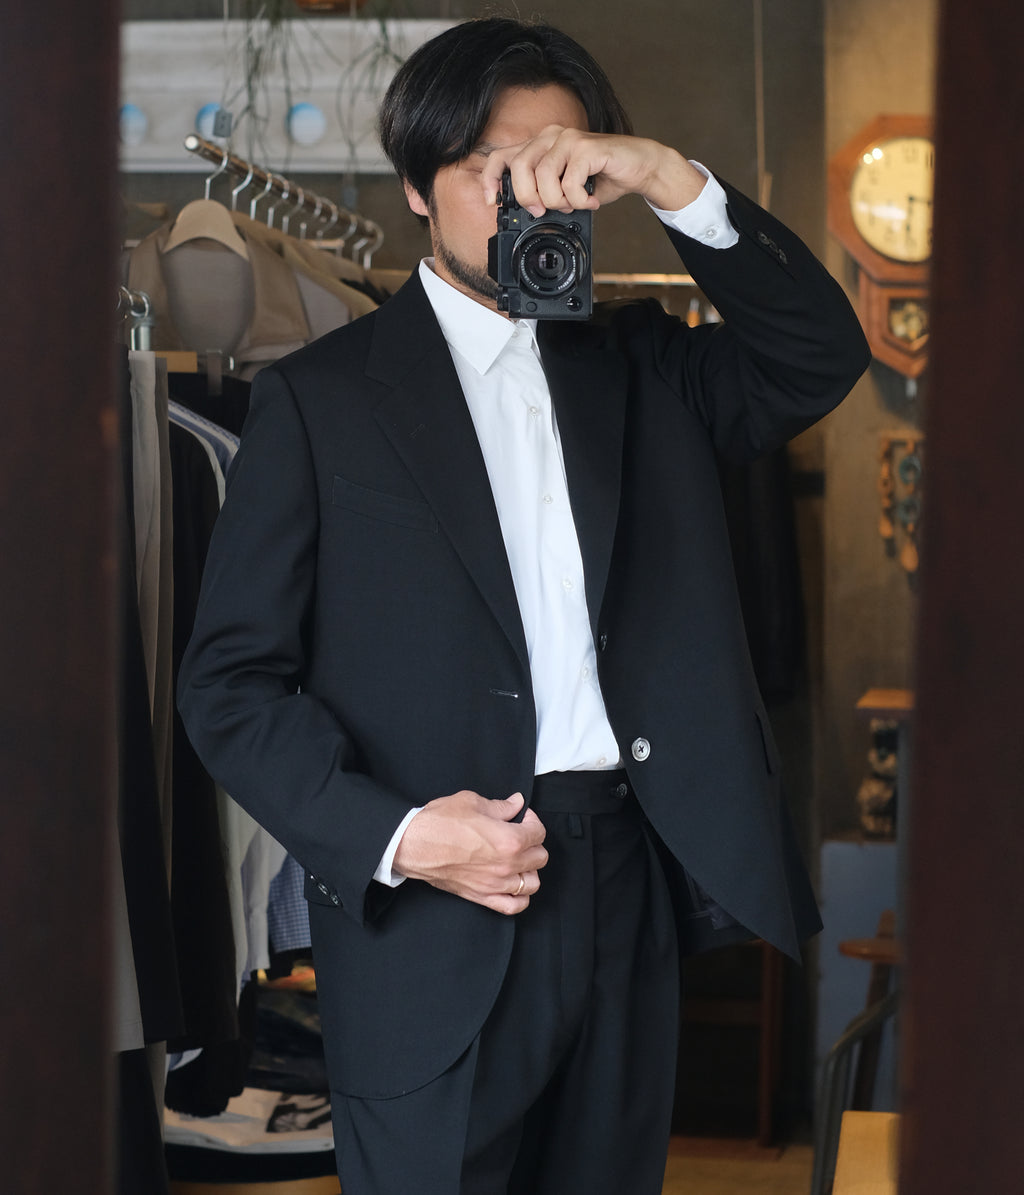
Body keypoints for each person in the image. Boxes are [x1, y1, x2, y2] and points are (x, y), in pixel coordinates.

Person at [178, 17, 869, 1195]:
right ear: (416, 185)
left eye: (559, 165)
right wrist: (401, 836)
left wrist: (669, 177)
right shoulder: (317, 401)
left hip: (626, 873)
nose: (522, 198)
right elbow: (228, 688)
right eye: (487, 167)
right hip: (433, 899)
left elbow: (817, 353)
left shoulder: (647, 370)